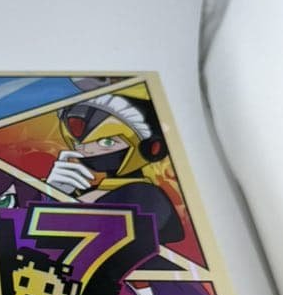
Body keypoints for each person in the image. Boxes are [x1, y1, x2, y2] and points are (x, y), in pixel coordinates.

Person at [45, 91, 182, 248]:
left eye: (107, 143)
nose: (87, 150)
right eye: (78, 144)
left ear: (152, 148)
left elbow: (72, 232)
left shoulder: (145, 196)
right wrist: (52, 192)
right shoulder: (85, 189)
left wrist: (53, 200)